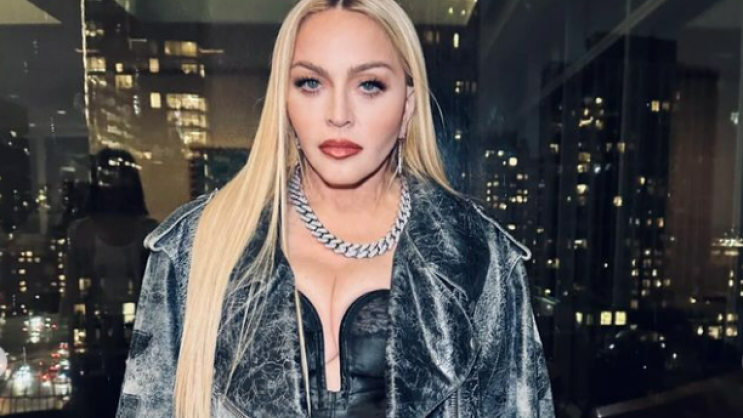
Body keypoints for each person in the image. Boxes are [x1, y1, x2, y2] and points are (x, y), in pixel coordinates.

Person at [115, 1, 555, 417]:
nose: (339, 114)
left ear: (407, 106)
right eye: (311, 83)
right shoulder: (195, 246)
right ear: (284, 103)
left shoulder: (478, 257)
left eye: (369, 85)